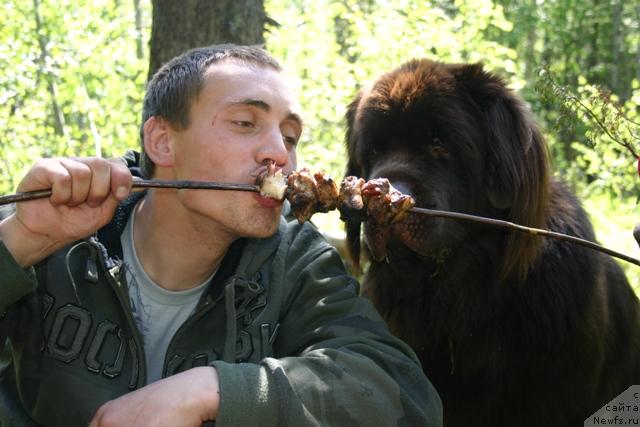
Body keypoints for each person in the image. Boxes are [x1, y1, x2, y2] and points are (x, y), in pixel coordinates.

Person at [0, 44, 442, 426]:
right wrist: (19, 241)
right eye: (245, 123)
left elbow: (402, 396)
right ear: (163, 142)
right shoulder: (63, 234)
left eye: (290, 136)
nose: (278, 155)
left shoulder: (294, 262)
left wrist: (216, 389)